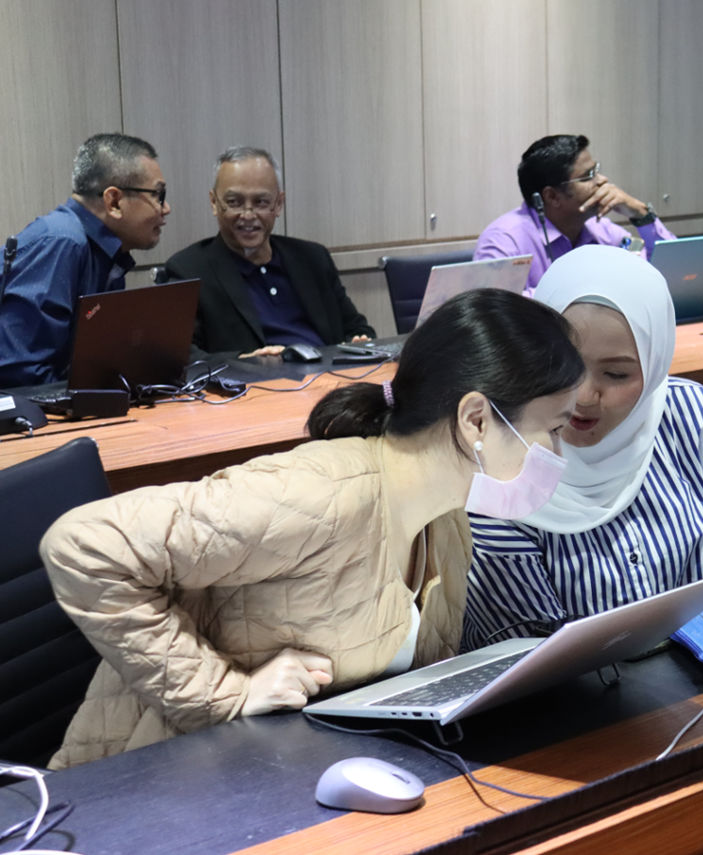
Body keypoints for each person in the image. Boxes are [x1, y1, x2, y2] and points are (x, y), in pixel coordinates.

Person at [39, 288, 584, 768]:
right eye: (554, 429)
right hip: (155, 779)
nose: (559, 453)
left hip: (283, 769)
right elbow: (83, 546)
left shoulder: (449, 521)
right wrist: (223, 695)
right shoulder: (317, 495)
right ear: (476, 420)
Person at [462, 245, 703, 648]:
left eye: (617, 374)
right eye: (565, 365)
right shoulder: (497, 466)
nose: (585, 396)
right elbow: (530, 655)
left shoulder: (690, 416)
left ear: (654, 366)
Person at [163, 146, 375, 357]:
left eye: (261, 202)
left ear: (279, 204)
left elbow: (357, 328)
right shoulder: (189, 271)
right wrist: (243, 362)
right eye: (234, 202)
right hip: (254, 378)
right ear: (214, 203)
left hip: (329, 373)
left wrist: (359, 342)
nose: (248, 215)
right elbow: (182, 356)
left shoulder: (312, 258)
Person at [0, 133, 169, 387]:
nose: (166, 208)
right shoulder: (61, 242)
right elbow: (22, 376)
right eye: (158, 195)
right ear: (114, 201)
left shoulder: (107, 252)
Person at [474, 134, 676, 295]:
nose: (603, 181)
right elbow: (491, 311)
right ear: (552, 196)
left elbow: (672, 272)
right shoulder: (504, 239)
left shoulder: (600, 229)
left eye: (596, 170)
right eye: (588, 176)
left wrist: (640, 214)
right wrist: (582, 291)